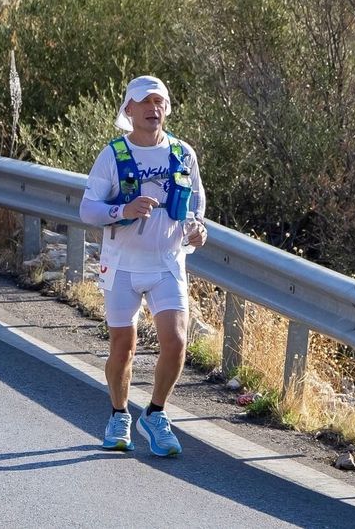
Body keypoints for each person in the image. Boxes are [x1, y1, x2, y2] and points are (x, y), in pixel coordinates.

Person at [78, 75, 207, 456]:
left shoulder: (183, 153)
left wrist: (198, 231)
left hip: (167, 261)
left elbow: (196, 204)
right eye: (144, 103)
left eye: (159, 102)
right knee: (123, 347)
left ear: (166, 108)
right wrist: (124, 210)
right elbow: (88, 209)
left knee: (177, 341)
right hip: (122, 265)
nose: (153, 109)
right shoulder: (113, 155)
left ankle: (155, 413)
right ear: (128, 110)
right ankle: (119, 414)